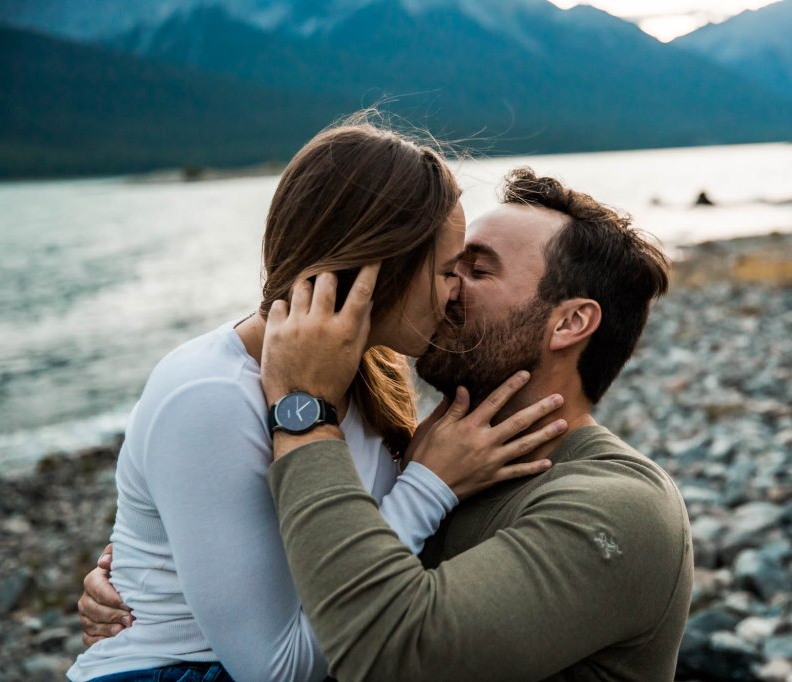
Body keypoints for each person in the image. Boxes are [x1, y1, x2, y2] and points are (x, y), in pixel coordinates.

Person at [68, 118, 564, 682]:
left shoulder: (372, 367)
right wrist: (429, 485)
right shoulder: (209, 396)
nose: (456, 292)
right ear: (383, 266)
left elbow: (350, 548)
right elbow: (276, 670)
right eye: (448, 269)